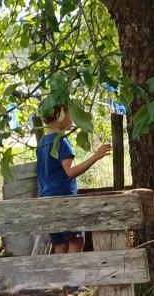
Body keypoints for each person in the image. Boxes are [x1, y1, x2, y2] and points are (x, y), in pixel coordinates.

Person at [37, 103, 111, 254]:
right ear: (58, 115)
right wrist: (95, 157)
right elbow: (69, 172)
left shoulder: (43, 142)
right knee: (76, 241)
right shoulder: (61, 142)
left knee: (60, 244)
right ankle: (76, 270)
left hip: (47, 200)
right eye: (69, 113)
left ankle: (61, 270)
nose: (72, 118)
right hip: (64, 200)